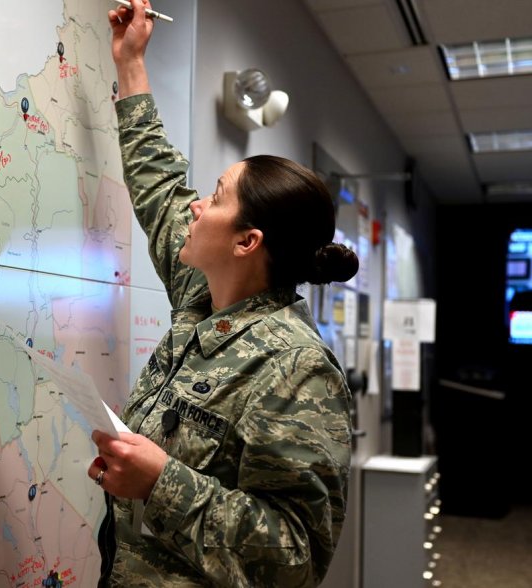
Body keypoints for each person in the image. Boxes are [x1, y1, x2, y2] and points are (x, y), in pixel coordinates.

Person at [86, 1, 359, 586]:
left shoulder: (296, 369)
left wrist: (161, 483)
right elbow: (158, 181)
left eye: (214, 194)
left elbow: (296, 558)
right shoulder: (203, 296)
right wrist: (131, 61)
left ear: (247, 241)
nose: (195, 204)